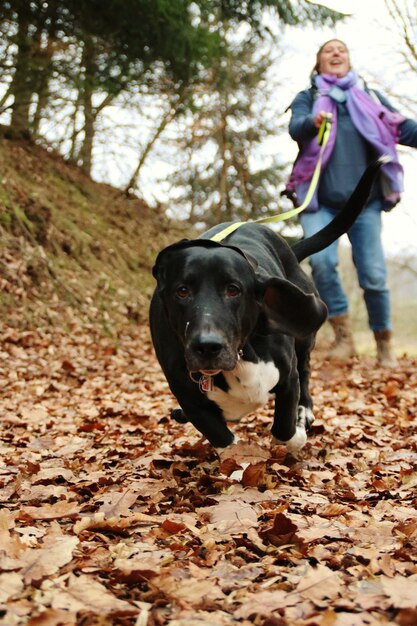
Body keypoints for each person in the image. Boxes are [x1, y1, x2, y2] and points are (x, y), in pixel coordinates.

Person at [286, 39, 417, 367]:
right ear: (318, 64)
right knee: (322, 264)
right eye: (328, 50)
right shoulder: (310, 98)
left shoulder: (369, 97)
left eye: (341, 49)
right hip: (322, 204)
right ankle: (343, 337)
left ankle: (383, 343)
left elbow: (401, 127)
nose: (336, 53)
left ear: (349, 60)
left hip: (366, 205)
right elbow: (295, 128)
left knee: (373, 274)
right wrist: (312, 122)